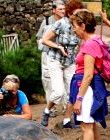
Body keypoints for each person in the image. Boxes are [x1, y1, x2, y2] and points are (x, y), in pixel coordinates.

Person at [69, 9, 110, 140]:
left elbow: (88, 75)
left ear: (83, 26)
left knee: (85, 126)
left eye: (75, 26)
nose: (74, 29)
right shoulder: (94, 40)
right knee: (91, 123)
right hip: (87, 87)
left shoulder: (89, 44)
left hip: (87, 88)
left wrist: (79, 99)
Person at [40, 0, 84, 128]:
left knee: (73, 92)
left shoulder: (79, 25)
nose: (79, 15)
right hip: (55, 60)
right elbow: (45, 40)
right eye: (76, 13)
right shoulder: (60, 24)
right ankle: (46, 111)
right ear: (70, 13)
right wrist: (58, 46)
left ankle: (67, 120)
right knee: (59, 92)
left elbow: (81, 44)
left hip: (70, 62)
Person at [36, 0, 66, 117]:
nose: (63, 11)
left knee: (65, 79)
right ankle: (51, 108)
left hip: (63, 55)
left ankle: (66, 106)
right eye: (60, 9)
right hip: (48, 55)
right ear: (53, 10)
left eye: (64, 9)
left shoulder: (68, 22)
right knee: (48, 80)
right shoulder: (47, 21)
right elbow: (39, 38)